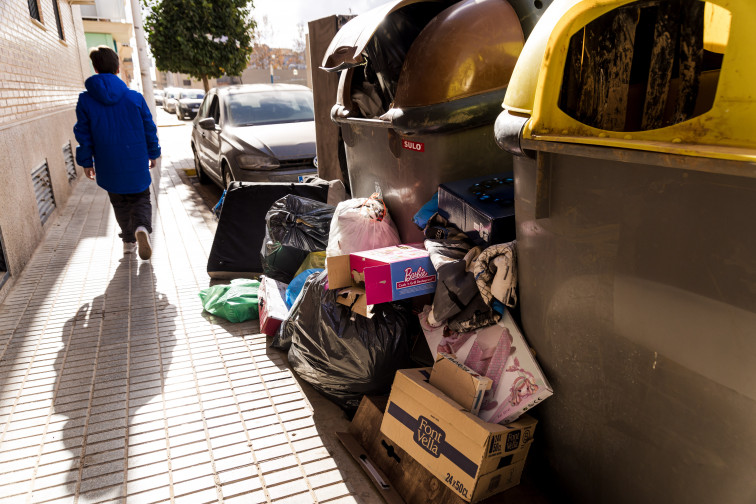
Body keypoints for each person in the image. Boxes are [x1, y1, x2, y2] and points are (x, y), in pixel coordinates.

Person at [73, 45, 161, 260]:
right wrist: (153, 152)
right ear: (117, 68)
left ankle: (129, 241)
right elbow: (149, 128)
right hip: (135, 159)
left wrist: (86, 162)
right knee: (141, 199)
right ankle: (142, 228)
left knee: (119, 202)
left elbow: (83, 134)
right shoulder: (134, 97)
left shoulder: (85, 100)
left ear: (95, 68)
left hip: (107, 162)